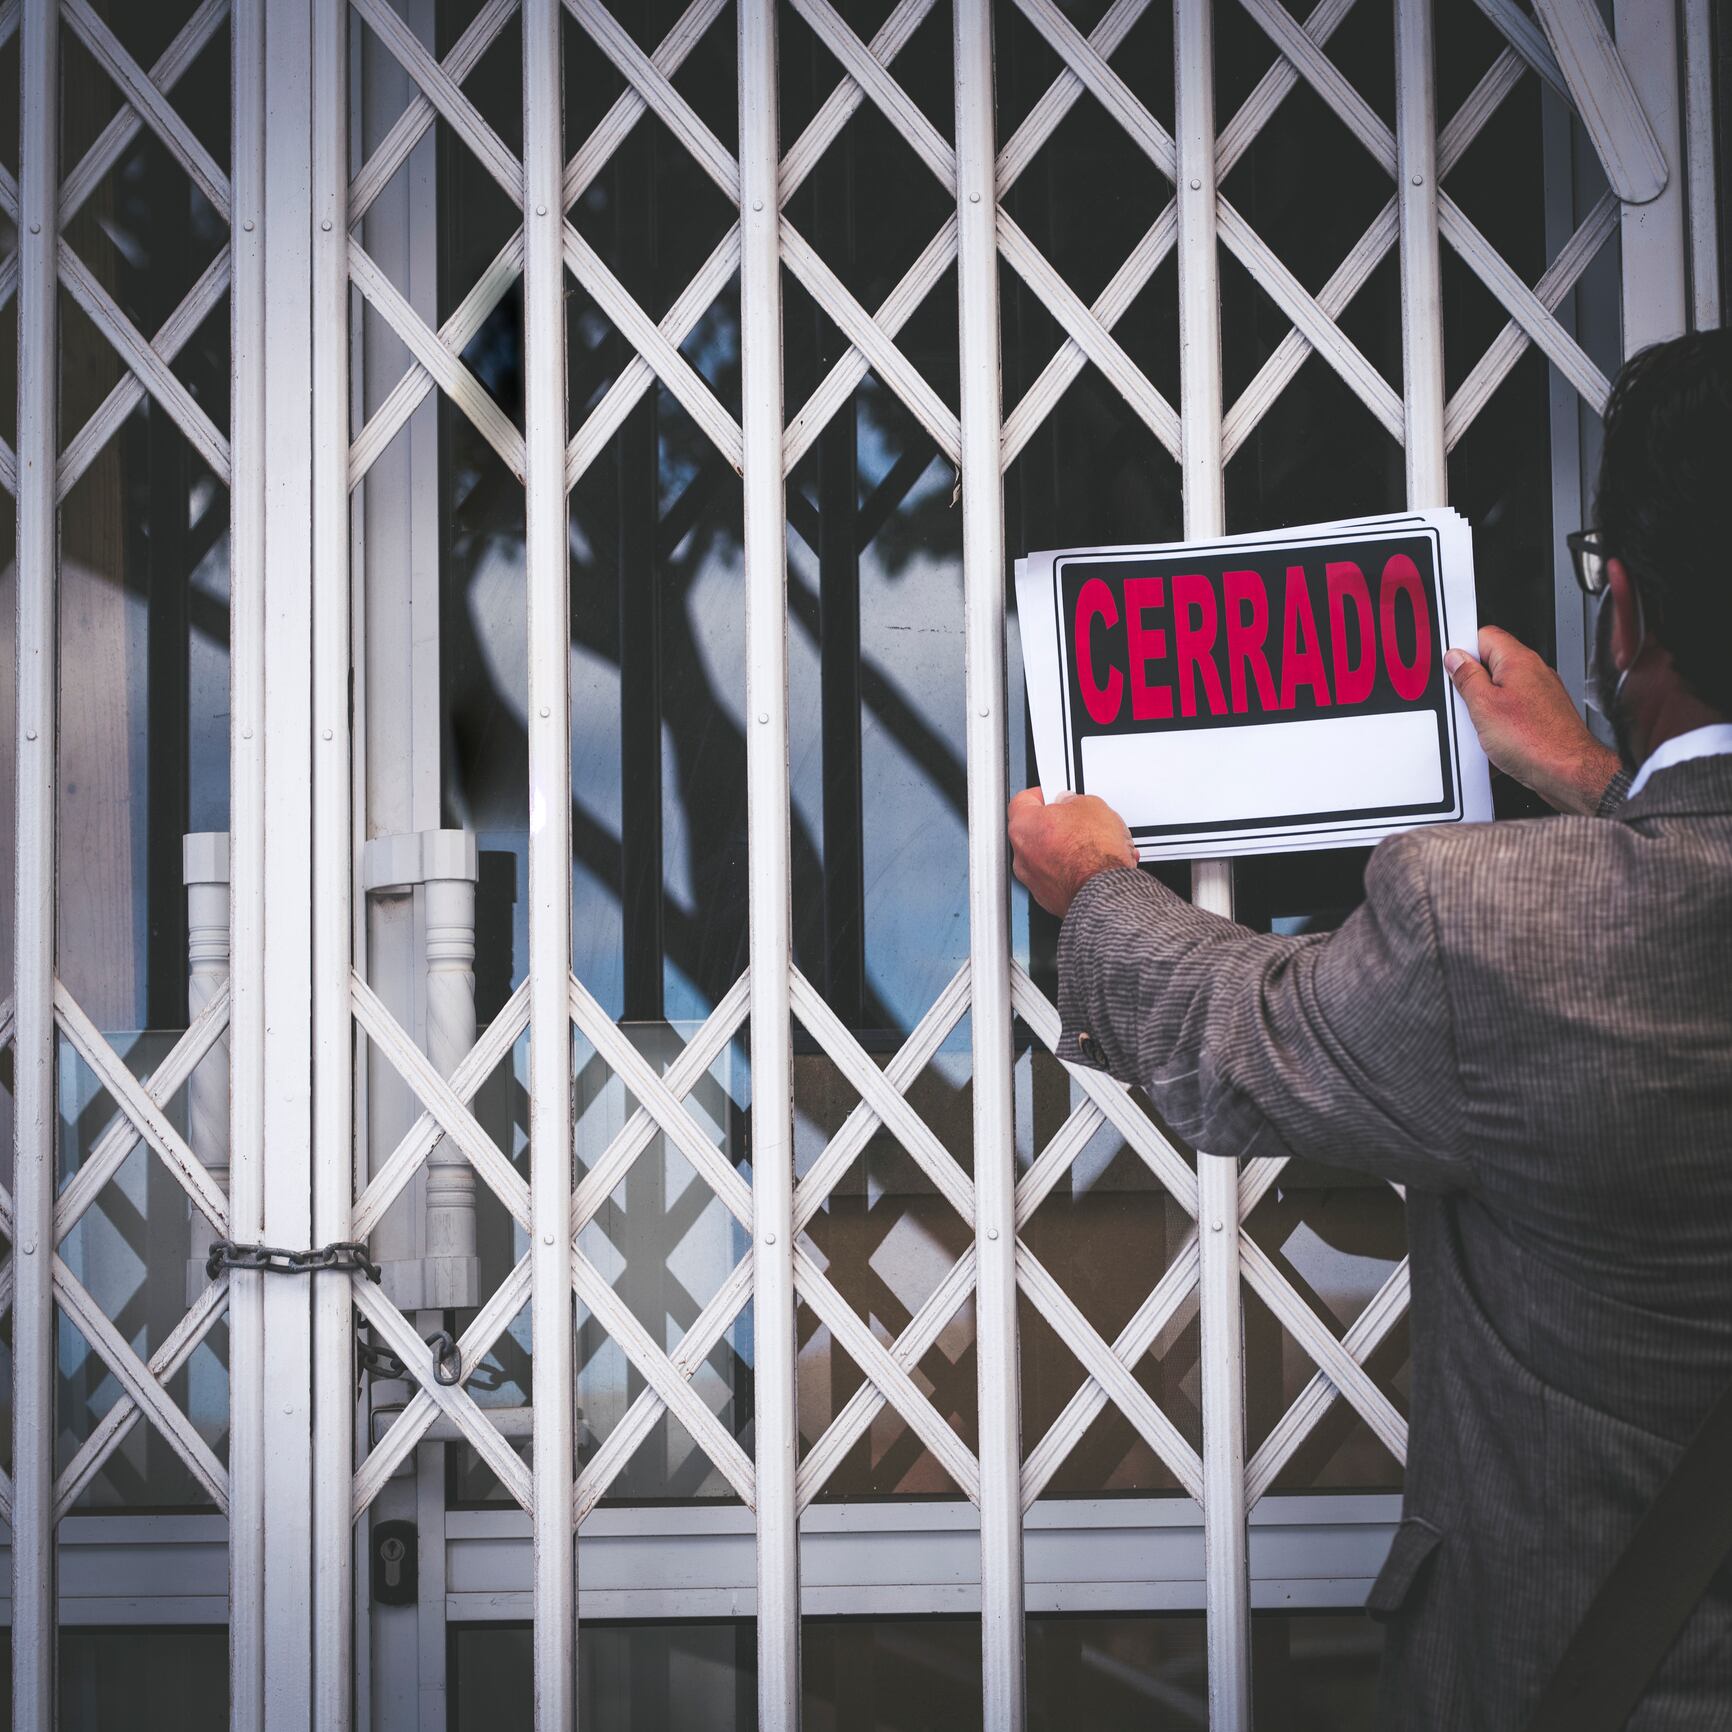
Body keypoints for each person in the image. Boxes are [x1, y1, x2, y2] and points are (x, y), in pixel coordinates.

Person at [1007, 328, 1732, 1730]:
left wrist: (1095, 890)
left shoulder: (1485, 937)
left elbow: (1245, 1037)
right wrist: (1596, 772)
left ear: (1625, 612)